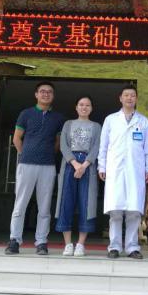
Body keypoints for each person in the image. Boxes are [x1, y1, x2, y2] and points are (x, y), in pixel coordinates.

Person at [5, 81, 65, 256]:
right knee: (20, 204)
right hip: (26, 164)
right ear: (36, 94)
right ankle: (14, 240)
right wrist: (25, 154)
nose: (46, 94)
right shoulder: (26, 114)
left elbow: (58, 142)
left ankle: (41, 242)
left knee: (44, 207)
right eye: (42, 91)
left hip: (48, 166)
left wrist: (48, 154)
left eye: (49, 92)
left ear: (53, 96)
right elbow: (17, 138)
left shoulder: (58, 118)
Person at [98, 84, 148, 259]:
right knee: (115, 211)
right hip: (115, 170)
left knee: (133, 211)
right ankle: (114, 247)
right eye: (126, 95)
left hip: (135, 170)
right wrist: (102, 166)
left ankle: (132, 247)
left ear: (136, 98)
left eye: (132, 95)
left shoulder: (143, 121)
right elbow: (103, 146)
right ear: (120, 98)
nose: (129, 98)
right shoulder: (110, 120)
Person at [54, 96, 102, 257]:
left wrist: (84, 165)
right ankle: (68, 244)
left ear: (91, 108)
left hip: (88, 164)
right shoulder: (68, 124)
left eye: (87, 105)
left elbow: (97, 147)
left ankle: (81, 244)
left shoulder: (96, 126)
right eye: (81, 104)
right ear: (76, 107)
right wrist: (75, 164)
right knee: (65, 201)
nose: (84, 107)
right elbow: (63, 145)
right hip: (69, 163)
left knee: (86, 203)